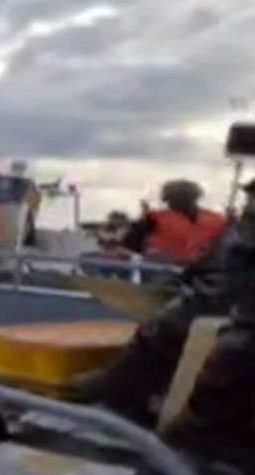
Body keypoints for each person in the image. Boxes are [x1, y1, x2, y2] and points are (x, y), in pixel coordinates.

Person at [84, 179, 254, 426]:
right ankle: (126, 389)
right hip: (192, 281)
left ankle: (118, 392)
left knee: (163, 327)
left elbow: (223, 269)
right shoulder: (222, 223)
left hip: (213, 295)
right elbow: (214, 262)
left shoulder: (236, 231)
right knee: (163, 322)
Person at [119, 179, 225, 265]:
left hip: (202, 273)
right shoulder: (153, 219)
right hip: (163, 269)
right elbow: (128, 245)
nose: (170, 204)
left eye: (172, 199)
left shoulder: (217, 220)